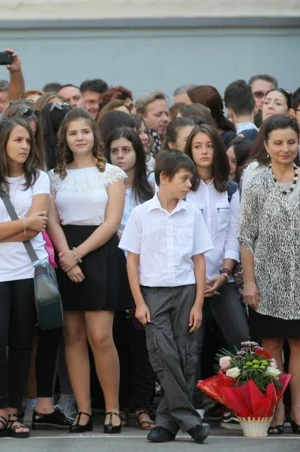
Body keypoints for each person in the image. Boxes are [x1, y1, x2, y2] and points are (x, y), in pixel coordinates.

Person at [238, 115, 300, 435]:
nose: (285, 148)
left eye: (291, 141)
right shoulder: (257, 182)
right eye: (278, 142)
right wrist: (249, 282)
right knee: (272, 343)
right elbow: (246, 236)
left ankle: (298, 411)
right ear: (266, 145)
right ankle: (275, 410)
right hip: (267, 278)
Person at [119, 150, 213, 444]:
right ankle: (190, 421)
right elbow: (131, 261)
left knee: (185, 356)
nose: (189, 185)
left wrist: (198, 303)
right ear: (164, 178)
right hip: (153, 293)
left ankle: (166, 423)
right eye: (185, 179)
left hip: (186, 292)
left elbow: (199, 261)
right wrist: (139, 302)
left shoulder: (193, 213)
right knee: (163, 354)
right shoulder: (140, 214)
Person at [47, 109, 127, 434]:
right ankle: (82, 410)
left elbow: (112, 222)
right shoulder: (54, 176)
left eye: (85, 131)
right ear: (64, 139)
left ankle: (112, 409)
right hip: (65, 249)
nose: (79, 137)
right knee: (73, 336)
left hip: (100, 253)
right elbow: (50, 218)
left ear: (94, 135)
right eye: (72, 133)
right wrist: (66, 255)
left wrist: (78, 254)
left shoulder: (113, 174)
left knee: (100, 336)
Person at [0, 118, 50, 439]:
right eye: (18, 140)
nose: (24, 146)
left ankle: (14, 413)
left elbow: (37, 227)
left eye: (28, 141)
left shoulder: (40, 179)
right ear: (3, 142)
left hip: (27, 269)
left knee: (21, 342)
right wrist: (19, 225)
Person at [183, 125, 249, 427]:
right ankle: (194, 407)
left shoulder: (231, 188)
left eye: (209, 145)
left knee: (241, 338)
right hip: (188, 281)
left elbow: (234, 236)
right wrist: (197, 280)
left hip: (221, 280)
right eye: (197, 146)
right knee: (191, 345)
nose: (204, 151)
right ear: (189, 151)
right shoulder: (182, 188)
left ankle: (244, 403)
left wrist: (224, 273)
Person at [105, 127, 157, 430]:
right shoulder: (104, 184)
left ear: (138, 152)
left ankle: (142, 405)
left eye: (126, 150)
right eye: (115, 151)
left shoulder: (149, 186)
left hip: (145, 272)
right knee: (116, 340)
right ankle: (121, 404)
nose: (121, 156)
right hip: (112, 269)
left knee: (143, 342)